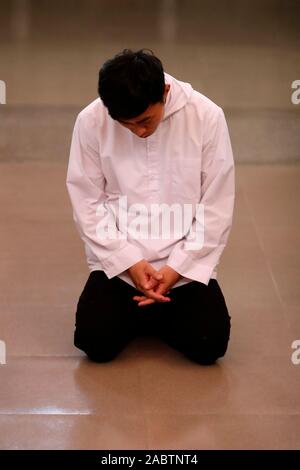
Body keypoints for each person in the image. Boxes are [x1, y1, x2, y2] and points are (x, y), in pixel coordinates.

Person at [66, 49, 235, 365]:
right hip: (121, 265)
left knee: (209, 345)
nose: (139, 131)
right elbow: (87, 201)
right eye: (126, 125)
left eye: (145, 120)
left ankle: (152, 311)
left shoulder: (207, 116)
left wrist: (176, 267)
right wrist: (129, 261)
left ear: (166, 92)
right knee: (94, 342)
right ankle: (152, 311)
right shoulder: (90, 121)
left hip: (182, 267)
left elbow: (216, 204)